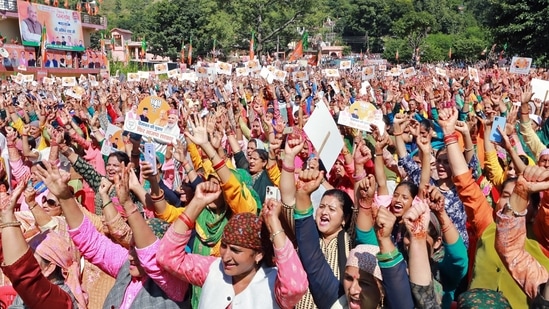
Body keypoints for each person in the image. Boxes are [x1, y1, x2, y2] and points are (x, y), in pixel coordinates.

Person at [35, 161, 189, 308]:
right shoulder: (126, 266)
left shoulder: (174, 283)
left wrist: (128, 205)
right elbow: (91, 241)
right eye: (131, 248)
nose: (131, 256)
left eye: (140, 250)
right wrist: (65, 197)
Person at [157, 181, 308, 309]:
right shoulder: (212, 269)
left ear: (258, 254)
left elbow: (296, 287)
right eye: (224, 246)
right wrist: (197, 202)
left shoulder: (274, 284)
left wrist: (274, 224)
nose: (226, 256)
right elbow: (167, 257)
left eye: (236, 250)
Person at [0, 181, 78, 309]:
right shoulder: (27, 293)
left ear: (50, 268)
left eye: (30, 258)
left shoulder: (60, 301)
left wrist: (9, 215)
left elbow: (22, 271)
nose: (24, 258)